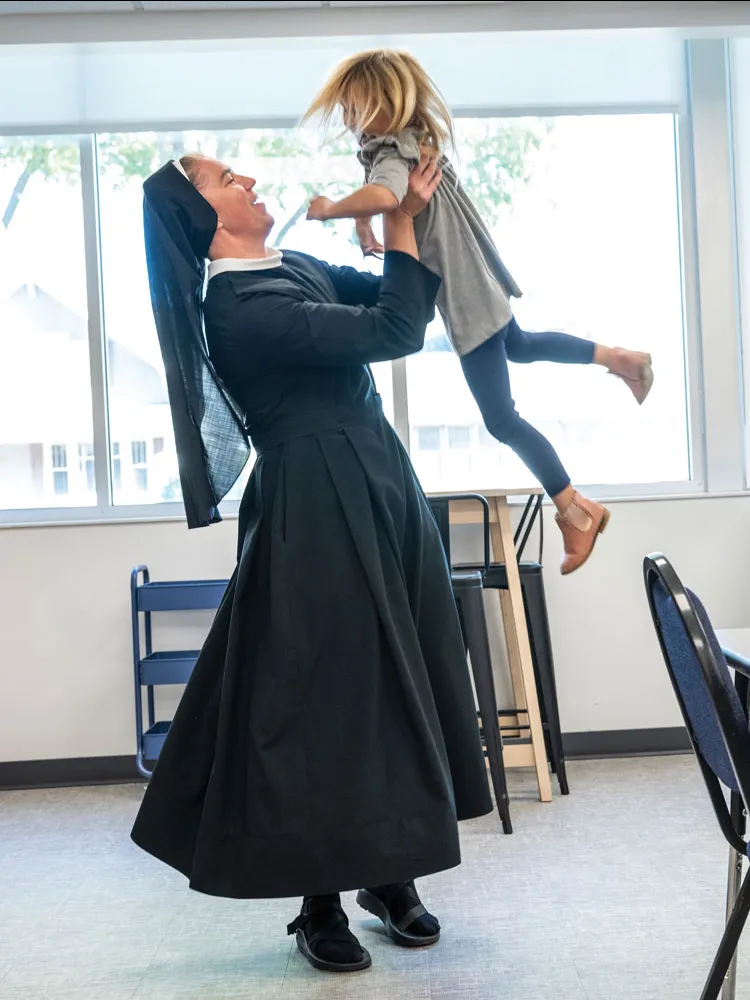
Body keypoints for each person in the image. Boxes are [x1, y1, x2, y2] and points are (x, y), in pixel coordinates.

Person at [130, 151, 494, 975]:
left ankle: (388, 878)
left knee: (395, 676)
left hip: (380, 483)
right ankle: (318, 901)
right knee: (322, 695)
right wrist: (397, 217)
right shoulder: (237, 310)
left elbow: (408, 306)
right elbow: (392, 329)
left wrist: (400, 215)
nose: (249, 181)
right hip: (312, 506)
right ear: (206, 219)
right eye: (229, 181)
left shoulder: (290, 266)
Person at [303, 49, 656, 575]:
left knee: (500, 418)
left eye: (355, 108)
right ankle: (620, 359)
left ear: (382, 102)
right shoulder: (406, 142)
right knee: (522, 344)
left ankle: (574, 510)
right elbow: (385, 196)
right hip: (474, 276)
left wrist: (334, 209)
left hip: (465, 294)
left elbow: (385, 191)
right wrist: (365, 224)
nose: (350, 120)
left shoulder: (392, 153)